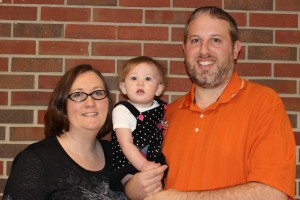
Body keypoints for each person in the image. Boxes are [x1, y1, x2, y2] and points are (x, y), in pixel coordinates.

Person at [124, 6, 296, 200]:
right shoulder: (167, 113)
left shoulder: (264, 103)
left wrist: (183, 199)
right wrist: (132, 187)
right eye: (195, 41)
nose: (204, 51)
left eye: (216, 40)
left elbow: (273, 193)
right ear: (184, 50)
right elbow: (134, 170)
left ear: (235, 49)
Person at [3, 64, 127, 200]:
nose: (90, 102)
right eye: (78, 94)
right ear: (63, 105)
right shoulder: (36, 160)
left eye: (97, 93)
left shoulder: (116, 153)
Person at [110, 56, 168, 190]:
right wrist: (143, 165)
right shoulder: (122, 111)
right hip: (128, 164)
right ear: (123, 87)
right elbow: (126, 144)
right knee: (140, 188)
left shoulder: (161, 108)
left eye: (147, 79)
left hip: (154, 160)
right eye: (134, 78)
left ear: (158, 89)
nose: (140, 83)